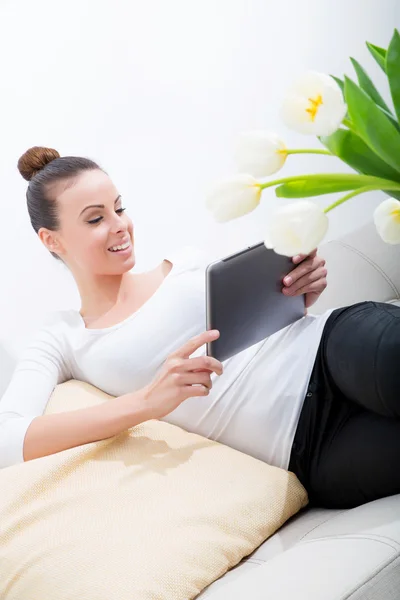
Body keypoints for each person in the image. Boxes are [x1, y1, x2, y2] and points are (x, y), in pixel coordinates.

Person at [0, 146, 398, 510]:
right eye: (95, 218)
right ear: (52, 240)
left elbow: (261, 320)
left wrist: (298, 294)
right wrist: (146, 403)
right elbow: (8, 440)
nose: (119, 225)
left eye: (119, 209)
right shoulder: (64, 337)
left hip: (332, 350)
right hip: (307, 449)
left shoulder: (185, 264)